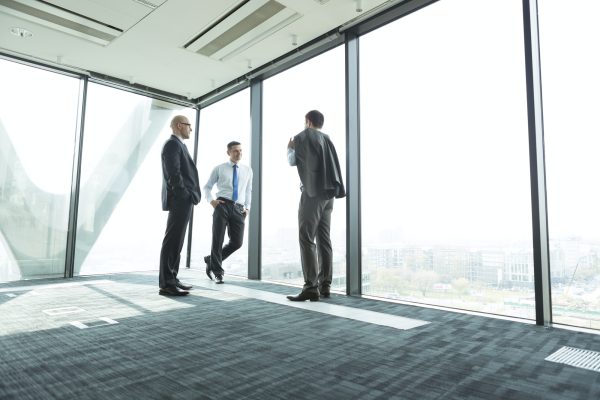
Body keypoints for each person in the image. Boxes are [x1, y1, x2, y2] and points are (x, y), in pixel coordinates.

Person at [286, 110, 345, 301]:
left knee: (306, 238)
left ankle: (310, 286)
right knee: (323, 239)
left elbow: (293, 161)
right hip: (329, 195)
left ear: (308, 121)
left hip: (312, 194)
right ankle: (324, 285)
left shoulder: (302, 137)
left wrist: (289, 148)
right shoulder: (327, 139)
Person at [159, 115, 201, 296]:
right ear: (179, 125)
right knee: (173, 240)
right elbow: (173, 172)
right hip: (180, 198)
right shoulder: (172, 145)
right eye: (188, 125)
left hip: (184, 199)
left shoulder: (179, 145)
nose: (191, 129)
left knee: (178, 240)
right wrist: (184, 193)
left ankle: (173, 278)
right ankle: (167, 283)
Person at [203, 141, 253, 284]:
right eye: (235, 151)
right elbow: (207, 187)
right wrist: (211, 201)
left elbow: (248, 190)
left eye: (241, 150)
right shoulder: (219, 168)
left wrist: (248, 207)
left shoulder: (247, 170)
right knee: (217, 240)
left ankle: (210, 260)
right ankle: (218, 273)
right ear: (228, 152)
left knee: (237, 242)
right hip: (222, 206)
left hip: (239, 208)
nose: (239, 153)